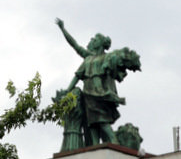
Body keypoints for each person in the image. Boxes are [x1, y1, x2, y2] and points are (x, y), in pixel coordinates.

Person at [55, 18, 141, 149]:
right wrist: (63, 29)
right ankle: (95, 149)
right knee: (92, 125)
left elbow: (118, 64)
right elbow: (75, 48)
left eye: (94, 40)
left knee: (102, 123)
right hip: (89, 96)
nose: (91, 41)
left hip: (100, 95)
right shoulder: (88, 58)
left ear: (100, 44)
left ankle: (115, 146)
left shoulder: (106, 57)